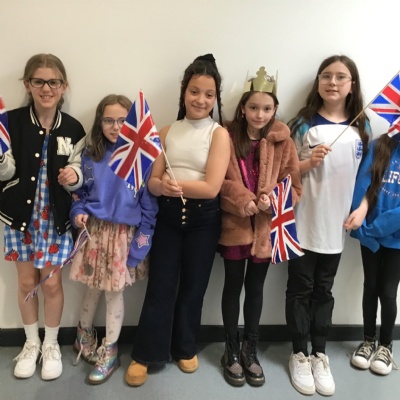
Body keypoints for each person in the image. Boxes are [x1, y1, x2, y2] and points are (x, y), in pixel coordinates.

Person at [124, 53, 230, 387]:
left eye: (209, 94)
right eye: (194, 91)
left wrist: (175, 184)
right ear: (184, 92)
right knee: (160, 285)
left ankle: (185, 346)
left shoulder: (218, 134)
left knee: (194, 287)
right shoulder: (167, 131)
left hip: (204, 221)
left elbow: (211, 187)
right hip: (168, 218)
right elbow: (153, 182)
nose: (201, 100)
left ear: (216, 98)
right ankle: (146, 353)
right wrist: (163, 186)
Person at [285, 55, 370, 396]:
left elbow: (369, 178)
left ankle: (319, 352)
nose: (332, 82)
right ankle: (298, 353)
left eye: (340, 77)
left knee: (324, 290)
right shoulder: (301, 124)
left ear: (352, 85)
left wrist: (362, 208)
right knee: (300, 288)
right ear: (318, 82)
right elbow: (282, 169)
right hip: (303, 222)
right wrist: (308, 162)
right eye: (326, 76)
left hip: (337, 227)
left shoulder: (362, 127)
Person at [0, 54, 86, 380]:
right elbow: (6, 171)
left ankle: (51, 344)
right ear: (27, 84)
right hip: (19, 215)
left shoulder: (73, 128)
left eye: (53, 82)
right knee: (26, 282)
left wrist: (73, 177)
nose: (46, 88)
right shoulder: (11, 122)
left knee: (50, 283)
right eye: (39, 81)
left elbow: (79, 170)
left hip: (55, 218)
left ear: (63, 86)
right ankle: (31, 343)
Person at [218, 67, 302, 387]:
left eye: (267, 108)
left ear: (275, 109)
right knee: (232, 286)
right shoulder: (226, 137)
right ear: (242, 108)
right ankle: (230, 348)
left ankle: (249, 348)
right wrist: (242, 200)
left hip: (265, 232)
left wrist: (274, 199)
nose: (259, 114)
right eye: (253, 107)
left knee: (255, 289)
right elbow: (218, 182)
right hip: (235, 227)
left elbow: (294, 187)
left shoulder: (283, 141)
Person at [69, 94, 158, 384]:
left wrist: (139, 249)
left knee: (113, 293)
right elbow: (80, 196)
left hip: (123, 238)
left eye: (122, 120)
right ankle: (83, 336)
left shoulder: (142, 161)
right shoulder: (90, 156)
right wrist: (78, 214)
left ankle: (110, 349)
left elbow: (149, 210)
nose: (115, 126)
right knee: (92, 288)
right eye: (108, 120)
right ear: (100, 122)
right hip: (95, 233)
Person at [344, 133, 400, 376]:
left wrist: (375, 228)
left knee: (388, 292)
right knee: (371, 286)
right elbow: (363, 185)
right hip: (369, 233)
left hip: (395, 238)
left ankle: (386, 346)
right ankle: (368, 340)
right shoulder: (380, 145)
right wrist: (364, 225)